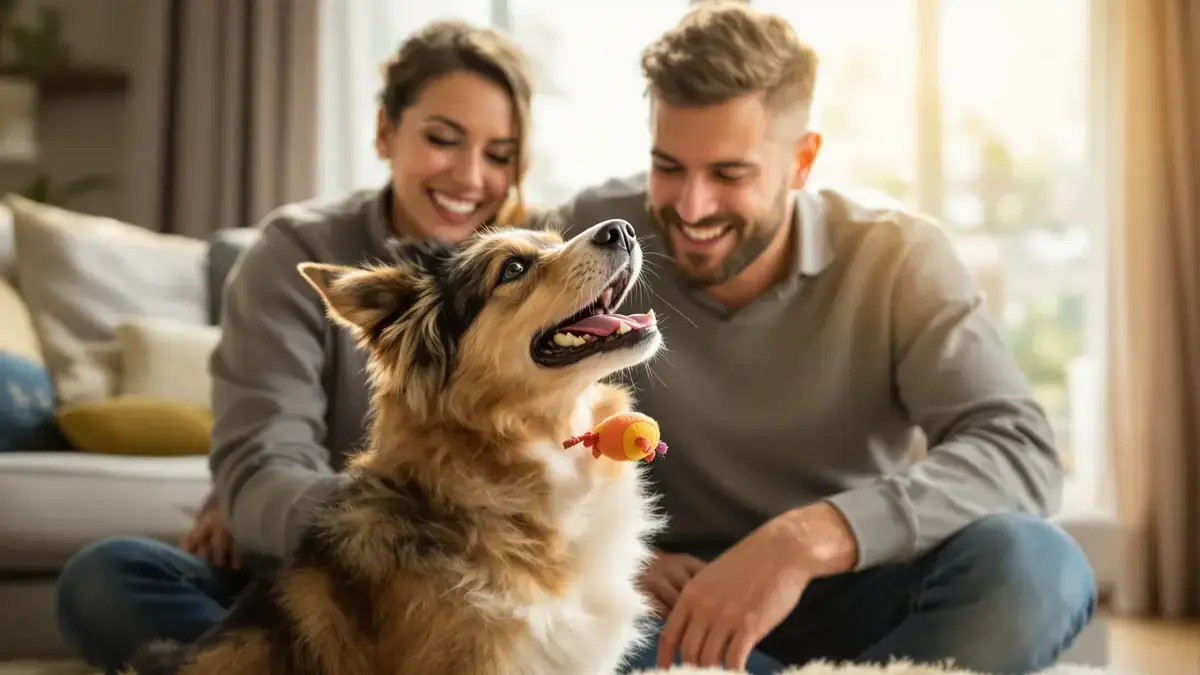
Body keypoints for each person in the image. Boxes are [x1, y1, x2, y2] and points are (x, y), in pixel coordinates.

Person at [528, 2, 1098, 674]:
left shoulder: (898, 258)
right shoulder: (593, 241)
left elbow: (1020, 448)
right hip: (668, 601)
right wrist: (615, 549)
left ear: (802, 161)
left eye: (729, 174)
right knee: (557, 628)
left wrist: (804, 539)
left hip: (855, 578)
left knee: (1037, 565)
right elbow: (503, 423)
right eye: (669, 167)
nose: (690, 206)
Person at [52, 19, 535, 674]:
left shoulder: (537, 269)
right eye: (442, 139)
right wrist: (276, 502)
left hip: (495, 591)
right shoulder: (294, 253)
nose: (471, 176)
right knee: (107, 578)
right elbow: (263, 470)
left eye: (500, 154)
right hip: (319, 582)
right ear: (385, 131)